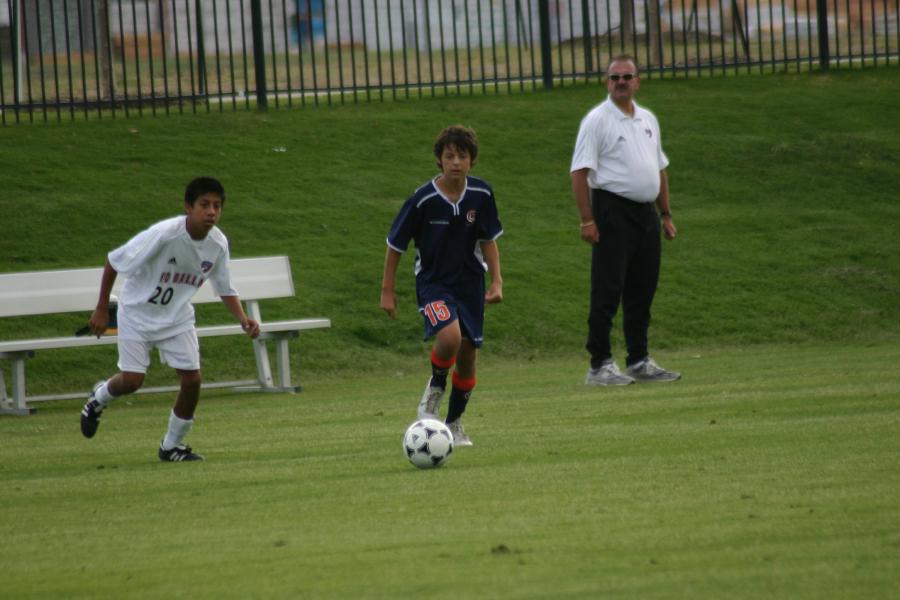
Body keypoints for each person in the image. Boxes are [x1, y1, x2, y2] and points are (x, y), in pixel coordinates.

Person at [80, 177, 261, 461]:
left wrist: (242, 318)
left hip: (176, 318)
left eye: (217, 206)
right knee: (132, 381)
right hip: (136, 313)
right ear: (188, 207)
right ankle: (98, 399)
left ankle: (171, 446)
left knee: (192, 380)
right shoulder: (165, 234)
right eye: (204, 205)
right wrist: (102, 309)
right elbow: (114, 261)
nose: (211, 211)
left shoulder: (218, 244)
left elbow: (224, 287)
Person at [380, 125, 503, 446]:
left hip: (470, 284)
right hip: (434, 284)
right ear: (439, 160)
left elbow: (488, 240)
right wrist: (387, 291)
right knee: (449, 337)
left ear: (472, 161)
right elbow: (395, 245)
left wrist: (497, 280)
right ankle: (434, 391)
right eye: (449, 156)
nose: (456, 162)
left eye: (462, 156)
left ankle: (455, 423)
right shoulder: (423, 200)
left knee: (468, 355)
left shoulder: (482, 195)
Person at [570, 55, 680, 386]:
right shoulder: (597, 120)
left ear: (637, 81)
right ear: (607, 82)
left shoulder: (647, 119)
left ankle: (638, 359)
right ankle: (599, 364)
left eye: (627, 76)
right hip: (611, 210)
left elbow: (659, 168)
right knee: (608, 287)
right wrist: (587, 220)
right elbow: (579, 172)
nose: (621, 82)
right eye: (615, 77)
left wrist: (665, 213)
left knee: (642, 289)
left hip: (645, 213)